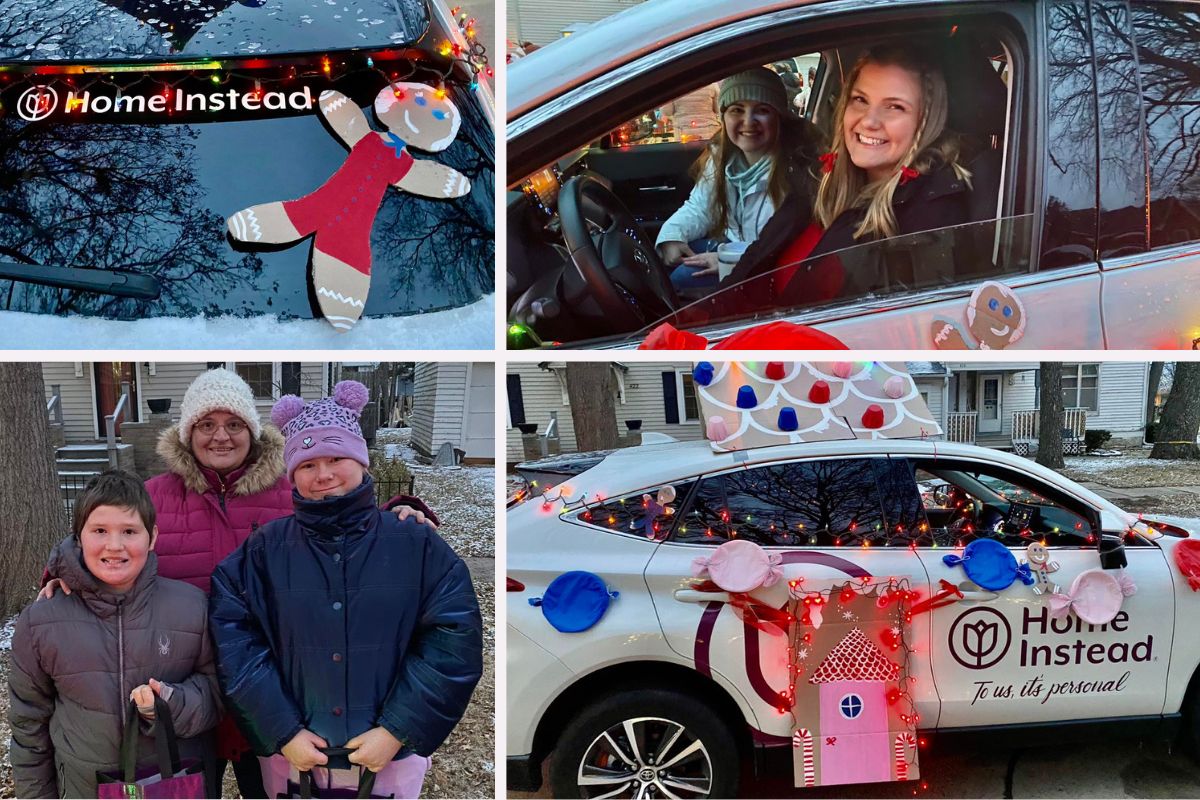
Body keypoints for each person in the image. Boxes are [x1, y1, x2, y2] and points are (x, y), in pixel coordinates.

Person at [38, 367, 437, 799]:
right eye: (206, 425)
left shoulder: (290, 491)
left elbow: (348, 522)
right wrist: (64, 574)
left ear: (253, 430)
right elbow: (105, 537)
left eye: (233, 424)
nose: (220, 436)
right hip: (184, 695)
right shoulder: (155, 495)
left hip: (270, 697)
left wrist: (401, 512)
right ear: (188, 433)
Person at [209, 381, 483, 799]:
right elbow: (237, 648)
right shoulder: (262, 553)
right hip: (295, 760)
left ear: (362, 462)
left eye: (337, 457)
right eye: (307, 464)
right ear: (292, 474)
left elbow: (453, 640)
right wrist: (282, 731)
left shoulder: (416, 545)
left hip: (388, 760)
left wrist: (397, 729)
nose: (323, 474)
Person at [9, 471, 222, 798]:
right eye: (99, 531)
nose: (114, 545)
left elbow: (217, 693)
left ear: (152, 537)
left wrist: (171, 704)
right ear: (78, 537)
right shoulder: (41, 622)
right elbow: (28, 726)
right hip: (84, 788)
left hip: (173, 785)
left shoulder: (192, 606)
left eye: (129, 531)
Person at [734, 44, 972, 306]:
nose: (869, 121)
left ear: (925, 122)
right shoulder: (820, 179)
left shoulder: (928, 216)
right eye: (860, 100)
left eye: (894, 107)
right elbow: (755, 260)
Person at [655, 67, 821, 294]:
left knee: (680, 280)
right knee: (666, 267)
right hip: (738, 251)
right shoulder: (722, 156)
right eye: (737, 110)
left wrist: (727, 261)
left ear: (780, 117)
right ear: (723, 116)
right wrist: (671, 236)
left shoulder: (798, 171)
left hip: (767, 269)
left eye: (762, 110)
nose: (748, 121)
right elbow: (702, 207)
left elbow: (790, 248)